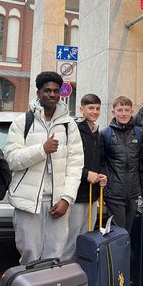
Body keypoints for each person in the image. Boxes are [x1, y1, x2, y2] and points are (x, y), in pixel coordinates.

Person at [5, 71, 84, 264]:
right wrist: (42, 149)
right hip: (28, 201)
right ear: (38, 92)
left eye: (56, 91)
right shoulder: (22, 122)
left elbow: (75, 165)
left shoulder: (68, 125)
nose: (52, 95)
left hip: (58, 202)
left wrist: (66, 198)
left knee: (55, 257)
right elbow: (12, 160)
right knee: (29, 256)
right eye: (47, 90)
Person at [102, 95, 143, 286]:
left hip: (133, 194)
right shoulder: (106, 134)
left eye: (127, 110)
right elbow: (101, 164)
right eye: (119, 110)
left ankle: (124, 279)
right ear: (113, 111)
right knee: (119, 238)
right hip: (114, 194)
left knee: (127, 237)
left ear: (132, 111)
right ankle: (117, 283)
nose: (123, 114)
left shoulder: (138, 133)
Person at [62, 93, 107, 260]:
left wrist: (102, 175)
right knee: (72, 236)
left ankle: (82, 271)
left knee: (87, 234)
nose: (94, 111)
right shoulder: (74, 129)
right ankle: (66, 271)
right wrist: (86, 174)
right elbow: (66, 160)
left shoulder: (97, 132)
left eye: (97, 108)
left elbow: (100, 159)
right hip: (76, 193)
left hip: (93, 193)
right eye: (90, 108)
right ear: (81, 109)